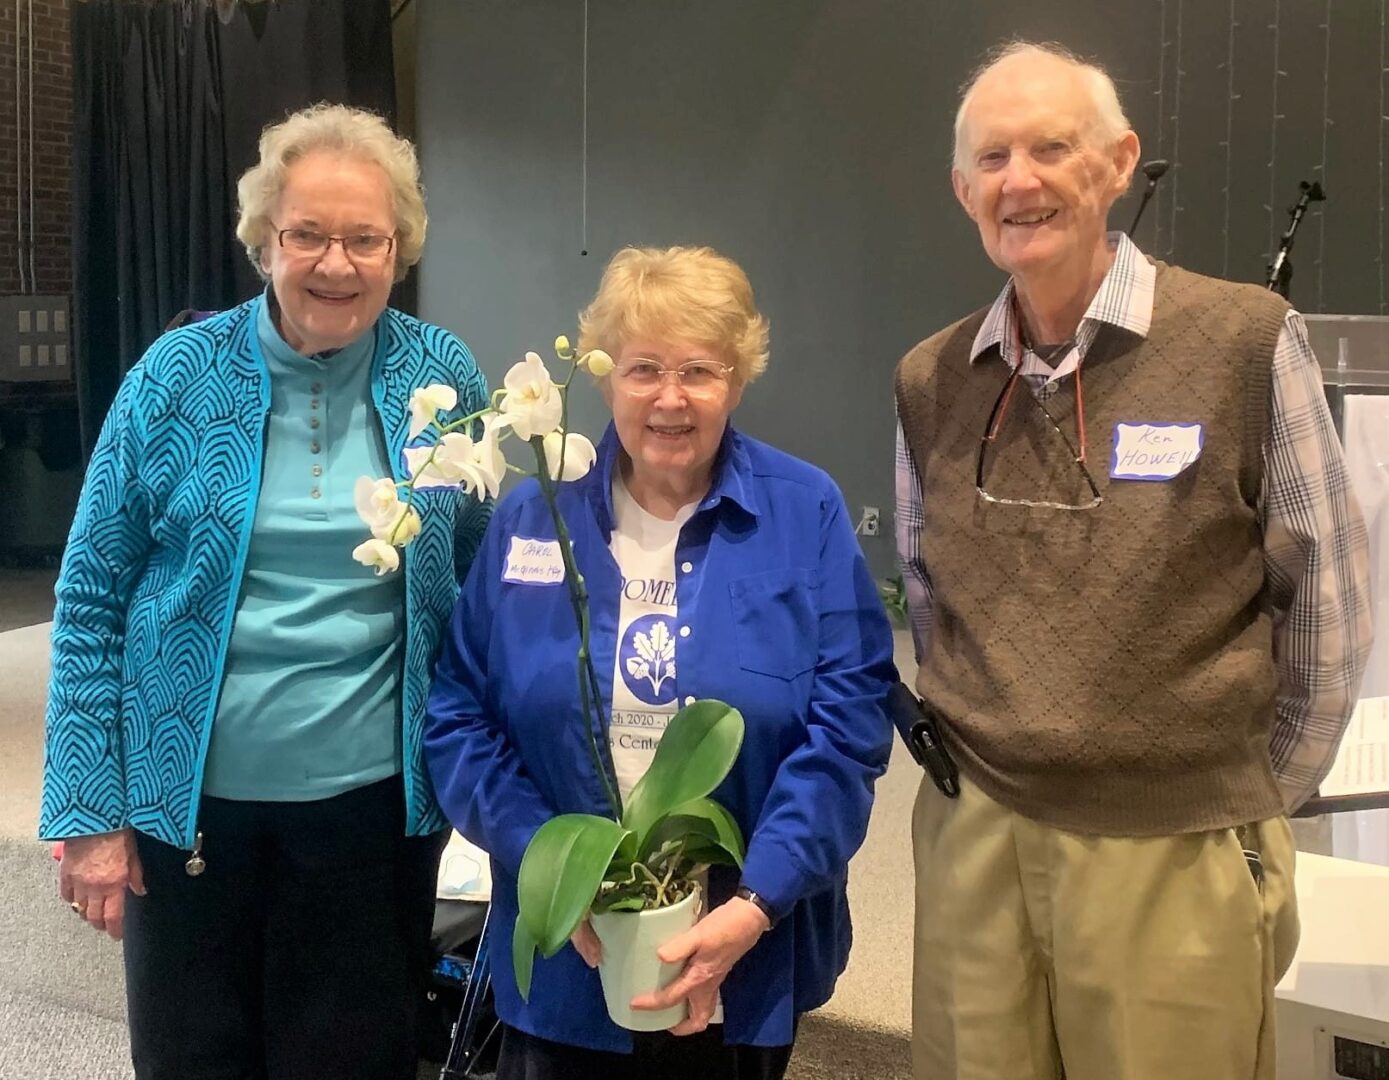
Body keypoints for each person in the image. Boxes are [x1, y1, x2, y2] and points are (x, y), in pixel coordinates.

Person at [894, 42, 1373, 1080]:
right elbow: (929, 595)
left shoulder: (1245, 340)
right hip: (979, 838)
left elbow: (1326, 611)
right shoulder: (931, 378)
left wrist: (1238, 793)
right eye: (994, 157)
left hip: (1175, 851)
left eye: (1052, 148)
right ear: (963, 189)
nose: (1020, 179)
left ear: (1119, 162)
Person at [40, 103, 491, 1080]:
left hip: (377, 817)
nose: (337, 263)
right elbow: (89, 599)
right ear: (263, 241)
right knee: (196, 1060)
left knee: (359, 1057)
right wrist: (88, 813)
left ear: (399, 246)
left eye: (364, 237)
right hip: (186, 812)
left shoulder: (441, 375)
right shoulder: (176, 376)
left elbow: (484, 575)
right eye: (307, 234)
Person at [425, 245, 897, 1079]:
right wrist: (546, 860)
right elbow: (459, 714)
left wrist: (754, 906)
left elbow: (847, 730)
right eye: (643, 368)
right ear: (605, 379)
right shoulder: (536, 514)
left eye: (699, 371)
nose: (670, 398)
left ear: (738, 379)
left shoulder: (804, 510)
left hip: (738, 946)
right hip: (571, 944)